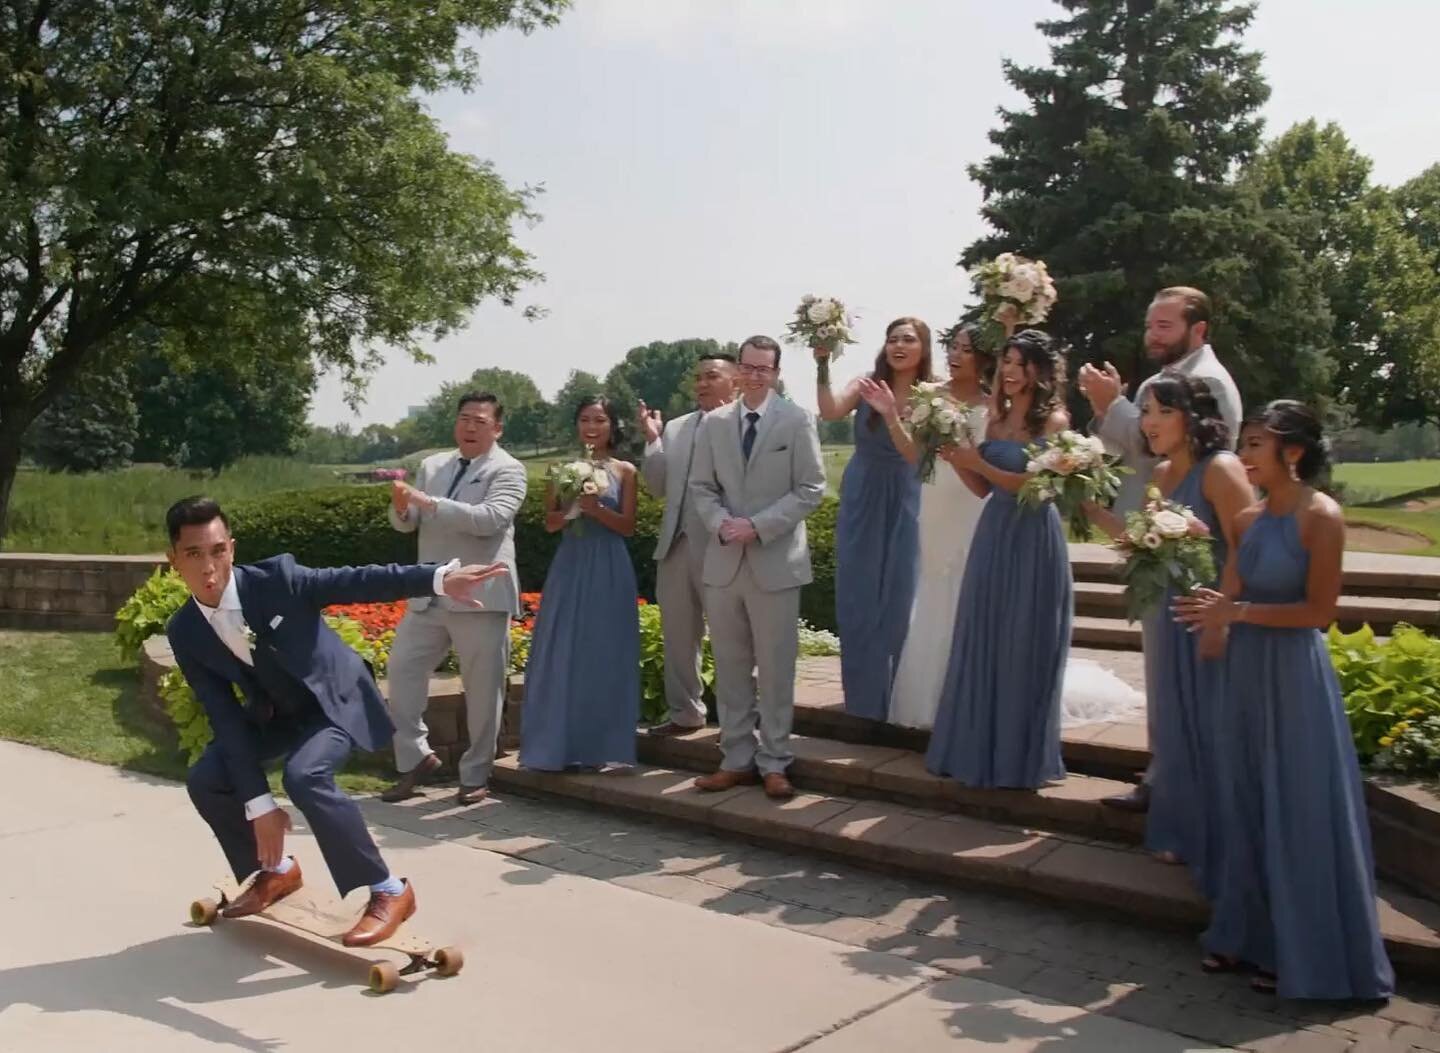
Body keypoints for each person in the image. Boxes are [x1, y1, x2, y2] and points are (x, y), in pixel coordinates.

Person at [164, 497, 505, 945]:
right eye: (193, 554)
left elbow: (357, 579)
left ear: (231, 547)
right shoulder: (185, 629)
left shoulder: (278, 581)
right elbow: (224, 715)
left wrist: (439, 578)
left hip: (333, 702)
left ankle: (390, 890)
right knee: (207, 779)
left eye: (217, 551)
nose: (209, 567)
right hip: (277, 714)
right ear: (173, 560)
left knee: (305, 775)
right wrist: (259, 803)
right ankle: (275, 872)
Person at [1174, 401, 1393, 1001]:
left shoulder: (1322, 517)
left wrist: (1236, 612)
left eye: (1254, 445)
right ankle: (1242, 933)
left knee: (1291, 802)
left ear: (1291, 453)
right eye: (1243, 445)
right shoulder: (1245, 519)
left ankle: (1296, 948)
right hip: (1244, 671)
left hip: (1293, 676)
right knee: (1242, 798)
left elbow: (1320, 613)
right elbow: (1232, 591)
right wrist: (1210, 612)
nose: (1243, 456)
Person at [1081, 373, 1252, 893]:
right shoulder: (1159, 474)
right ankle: (1183, 828)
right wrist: (1087, 504)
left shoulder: (1220, 469)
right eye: (1146, 412)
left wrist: (1223, 615)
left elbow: (1248, 544)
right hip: (1166, 614)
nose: (1149, 423)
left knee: (1213, 727)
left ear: (1191, 416)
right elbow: (1142, 543)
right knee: (1175, 725)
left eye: (1160, 412)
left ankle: (1224, 838)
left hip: (1208, 615)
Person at [1078, 286, 1242, 813]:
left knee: (1189, 683)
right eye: (1150, 325)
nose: (1152, 335)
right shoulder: (1169, 378)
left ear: (1199, 331)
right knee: (1164, 677)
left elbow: (1162, 446)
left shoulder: (1208, 380)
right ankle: (1164, 777)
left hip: (1194, 563)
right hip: (1158, 545)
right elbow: (1146, 447)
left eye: (1165, 326)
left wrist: (1113, 406)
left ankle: (1186, 785)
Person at [925, 330, 1071, 789]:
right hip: (994, 532)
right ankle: (975, 746)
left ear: (1040, 371)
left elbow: (1036, 487)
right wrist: (956, 460)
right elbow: (984, 489)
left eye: (1018, 363)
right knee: (985, 632)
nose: (1007, 371)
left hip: (1033, 537)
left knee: (1023, 639)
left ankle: (1018, 756)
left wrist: (978, 462)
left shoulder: (1056, 424)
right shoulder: (995, 420)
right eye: (1005, 361)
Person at [688, 335, 826, 800]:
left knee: (775, 669)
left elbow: (811, 489)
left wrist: (759, 526)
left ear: (777, 372)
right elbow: (700, 487)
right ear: (737, 370)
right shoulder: (715, 423)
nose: (754, 375)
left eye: (764, 369)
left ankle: (775, 761)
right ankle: (735, 759)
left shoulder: (797, 419)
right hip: (724, 561)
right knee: (729, 667)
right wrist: (721, 523)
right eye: (747, 367)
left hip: (775, 562)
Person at [381, 392, 527, 806]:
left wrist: (429, 502)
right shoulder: (432, 465)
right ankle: (414, 759)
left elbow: (490, 520)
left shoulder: (509, 470)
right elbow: (409, 524)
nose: (469, 427)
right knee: (403, 670)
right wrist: (402, 509)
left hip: (481, 593)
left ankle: (475, 773)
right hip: (431, 591)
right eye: (464, 419)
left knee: (482, 689)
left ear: (497, 428)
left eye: (480, 421)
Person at [817, 317, 931, 722]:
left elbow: (916, 455)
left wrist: (890, 414)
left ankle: (901, 696)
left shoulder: (932, 395)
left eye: (908, 339)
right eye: (892, 338)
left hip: (908, 492)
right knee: (858, 593)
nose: (898, 345)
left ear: (923, 347)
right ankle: (864, 699)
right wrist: (822, 363)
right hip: (863, 491)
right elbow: (829, 410)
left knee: (902, 595)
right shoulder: (866, 383)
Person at [519, 397, 642, 771]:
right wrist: (574, 508)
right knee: (562, 647)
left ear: (612, 425)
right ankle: (555, 745)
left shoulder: (625, 471)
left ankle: (604, 746)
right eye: (585, 419)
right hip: (571, 562)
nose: (592, 426)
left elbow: (628, 526)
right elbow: (550, 523)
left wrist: (598, 510)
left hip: (609, 563)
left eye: (600, 420)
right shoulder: (561, 469)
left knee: (606, 648)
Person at [887, 322, 990, 729]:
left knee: (969, 587)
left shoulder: (993, 401)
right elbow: (915, 455)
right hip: (935, 498)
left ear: (983, 356)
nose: (955, 354)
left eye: (966, 348)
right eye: (953, 346)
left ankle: (972, 693)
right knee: (934, 587)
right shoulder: (930, 396)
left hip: (974, 501)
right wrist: (890, 417)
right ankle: (930, 700)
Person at [637, 353, 739, 736]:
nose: (701, 383)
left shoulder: (745, 424)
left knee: (733, 638)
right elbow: (657, 487)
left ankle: (739, 721)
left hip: (723, 546)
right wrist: (653, 441)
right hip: (675, 547)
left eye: (712, 376)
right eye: (697, 377)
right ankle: (685, 713)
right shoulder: (676, 428)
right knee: (678, 637)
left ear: (736, 382)